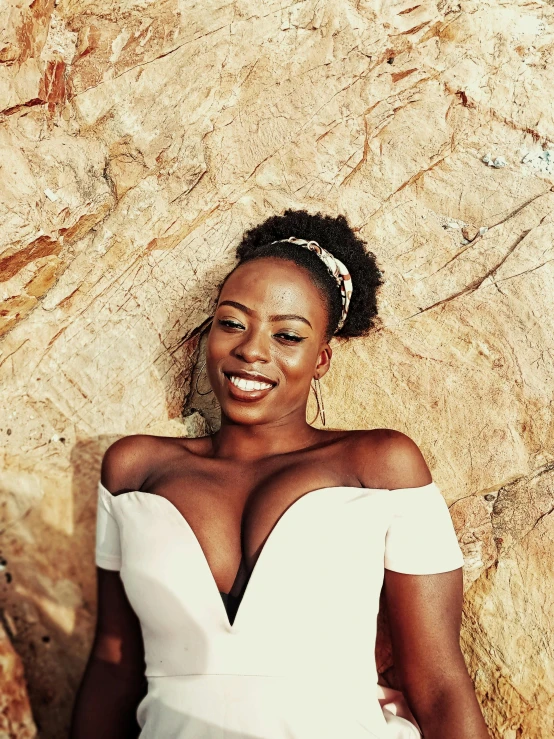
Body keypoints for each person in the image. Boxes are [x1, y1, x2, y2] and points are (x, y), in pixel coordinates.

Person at [71, 210, 490, 739]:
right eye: (231, 323)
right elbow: (114, 663)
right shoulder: (134, 469)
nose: (251, 350)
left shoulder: (382, 464)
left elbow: (438, 681)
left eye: (288, 336)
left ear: (321, 359)